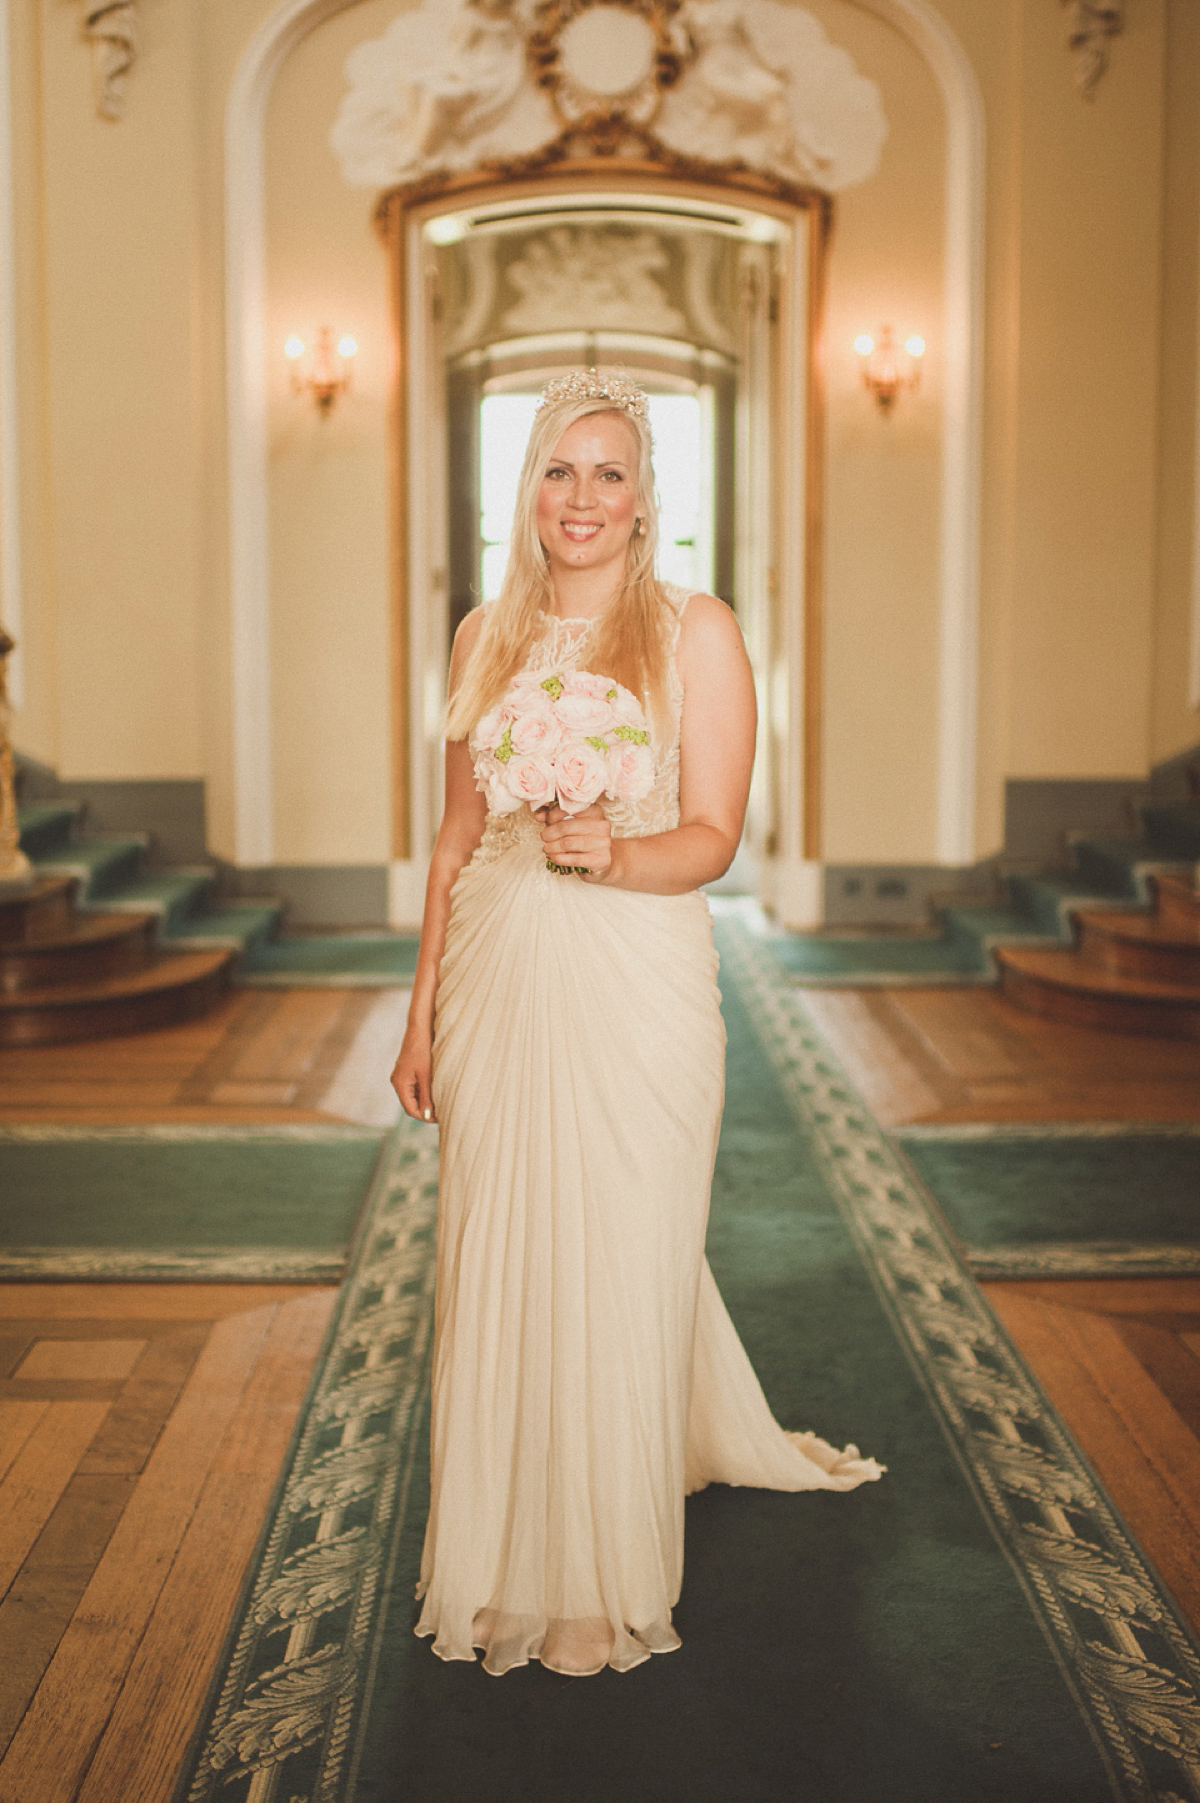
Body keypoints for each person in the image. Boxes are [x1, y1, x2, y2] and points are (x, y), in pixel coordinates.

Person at [390, 368, 881, 1680]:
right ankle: (507, 1552)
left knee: (620, 1247)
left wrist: (613, 850)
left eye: (610, 471)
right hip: (498, 973)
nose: (583, 497)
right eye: (561, 468)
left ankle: (603, 1572)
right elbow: (450, 841)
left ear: (645, 493)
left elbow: (714, 838)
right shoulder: (479, 635)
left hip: (640, 977)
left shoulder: (695, 633)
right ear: (528, 487)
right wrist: (421, 1011)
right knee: (503, 1250)